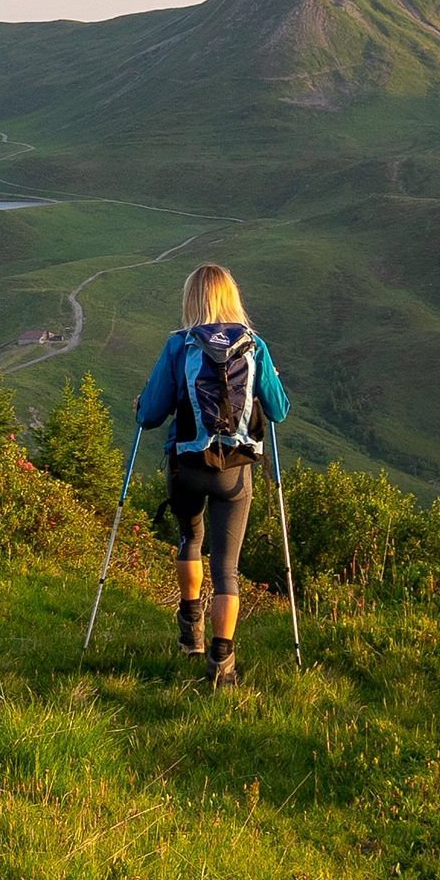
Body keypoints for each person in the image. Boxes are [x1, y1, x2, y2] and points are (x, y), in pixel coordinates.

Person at [133, 264, 291, 687]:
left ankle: (191, 631)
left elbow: (149, 415)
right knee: (227, 570)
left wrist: (140, 404)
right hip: (234, 472)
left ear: (191, 299)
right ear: (231, 298)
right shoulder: (255, 345)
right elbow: (279, 410)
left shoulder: (179, 345)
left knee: (190, 540)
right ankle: (222, 665)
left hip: (187, 466)